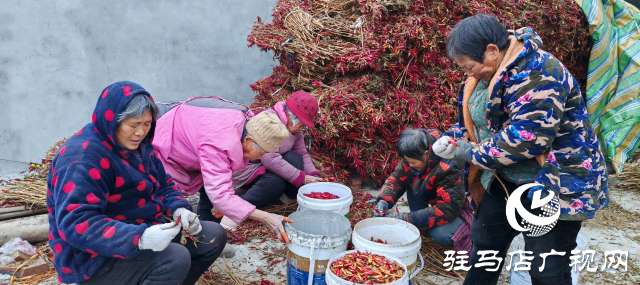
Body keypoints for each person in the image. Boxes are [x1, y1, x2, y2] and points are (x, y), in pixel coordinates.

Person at [434, 14, 609, 285]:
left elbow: (528, 137)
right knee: (485, 245)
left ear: (492, 51)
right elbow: (478, 122)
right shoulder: (486, 74)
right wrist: (453, 139)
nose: (468, 74)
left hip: (553, 182)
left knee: (547, 268)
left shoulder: (540, 71)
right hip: (505, 178)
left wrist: (470, 154)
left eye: (469, 66)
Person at [46, 81, 226, 285]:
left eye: (147, 124)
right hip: (93, 257)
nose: (140, 133)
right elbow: (76, 223)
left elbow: (164, 185)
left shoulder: (139, 146)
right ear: (113, 121)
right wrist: (139, 238)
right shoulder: (82, 157)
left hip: (142, 227)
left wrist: (178, 209)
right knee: (174, 258)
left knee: (213, 235)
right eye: (133, 125)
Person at [152, 96, 292, 257]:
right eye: (261, 153)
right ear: (248, 140)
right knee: (168, 199)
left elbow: (223, 175)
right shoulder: (219, 142)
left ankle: (207, 241)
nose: (260, 158)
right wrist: (266, 217)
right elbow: (219, 193)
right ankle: (171, 249)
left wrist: (223, 200)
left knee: (211, 192)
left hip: (195, 136)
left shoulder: (248, 124)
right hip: (170, 142)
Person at [374, 128, 471, 252]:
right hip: (431, 195)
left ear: (426, 154)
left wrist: (405, 219)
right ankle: (423, 224)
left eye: (413, 162)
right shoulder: (414, 153)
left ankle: (467, 232)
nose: (410, 165)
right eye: (407, 162)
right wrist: (383, 201)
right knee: (411, 184)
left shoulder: (449, 166)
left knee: (440, 234)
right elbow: (397, 179)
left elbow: (447, 209)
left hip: (455, 206)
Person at [230, 91, 323, 212]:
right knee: (275, 183)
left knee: (295, 158)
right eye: (301, 124)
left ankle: (284, 198)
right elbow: (268, 157)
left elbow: (302, 153)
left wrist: (313, 175)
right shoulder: (271, 121)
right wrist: (301, 178)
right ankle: (238, 206)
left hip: (267, 165)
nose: (302, 128)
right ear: (290, 116)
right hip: (250, 167)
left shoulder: (295, 129)